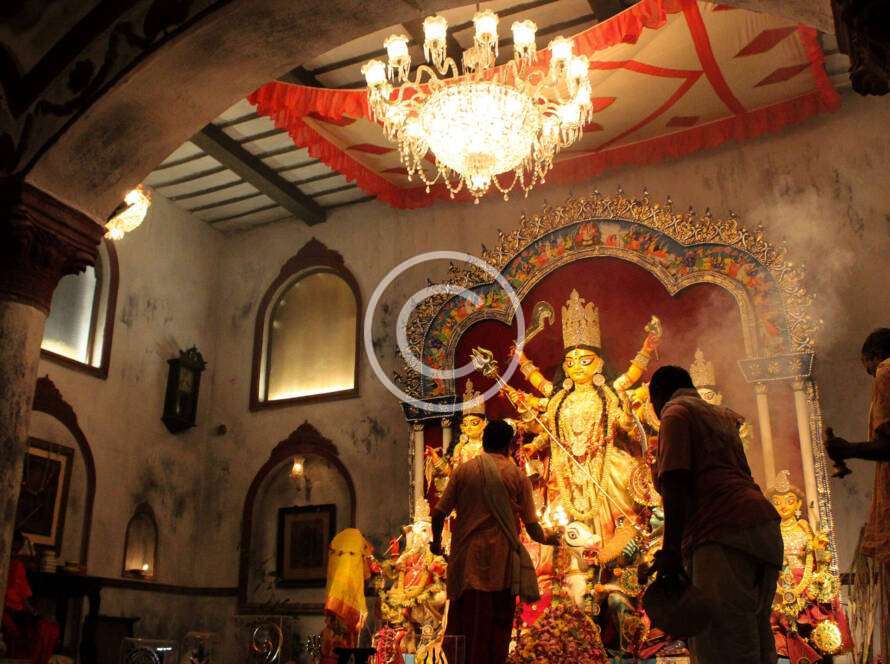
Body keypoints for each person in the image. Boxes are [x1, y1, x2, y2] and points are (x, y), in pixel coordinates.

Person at [648, 365, 783, 664]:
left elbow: (675, 482)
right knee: (757, 638)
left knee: (722, 644)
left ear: (657, 397)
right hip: (762, 529)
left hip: (722, 532)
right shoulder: (721, 416)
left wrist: (670, 552)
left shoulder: (675, 413)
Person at [430, 419, 560, 664]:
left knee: (465, 628)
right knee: (496, 632)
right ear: (510, 445)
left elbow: (438, 513)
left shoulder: (464, 471)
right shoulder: (517, 476)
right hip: (501, 565)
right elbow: (533, 528)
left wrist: (436, 544)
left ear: (484, 441)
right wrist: (554, 538)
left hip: (467, 562)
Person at [825, 327, 890, 659]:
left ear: (873, 358)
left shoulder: (887, 371)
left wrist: (847, 449)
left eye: (869, 369)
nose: (872, 376)